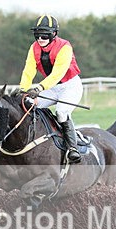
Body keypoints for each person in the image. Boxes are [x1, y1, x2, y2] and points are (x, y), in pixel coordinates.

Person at [18, 15, 83, 164]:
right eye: (37, 35)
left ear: (54, 34)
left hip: (70, 86)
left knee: (61, 112)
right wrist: (23, 89)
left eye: (44, 35)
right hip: (52, 88)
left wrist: (39, 87)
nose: (40, 38)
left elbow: (58, 73)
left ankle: (73, 148)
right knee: (28, 104)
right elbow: (28, 70)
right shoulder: (34, 48)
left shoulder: (65, 47)